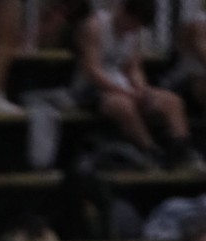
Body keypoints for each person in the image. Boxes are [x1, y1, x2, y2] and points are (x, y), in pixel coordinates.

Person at [72, 0, 201, 168]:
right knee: (124, 105)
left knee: (172, 101)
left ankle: (180, 150)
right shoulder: (94, 26)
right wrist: (123, 91)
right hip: (91, 89)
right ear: (124, 11)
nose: (132, 29)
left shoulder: (134, 34)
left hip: (123, 85)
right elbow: (91, 70)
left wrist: (141, 88)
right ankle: (150, 150)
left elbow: (133, 67)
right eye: (132, 23)